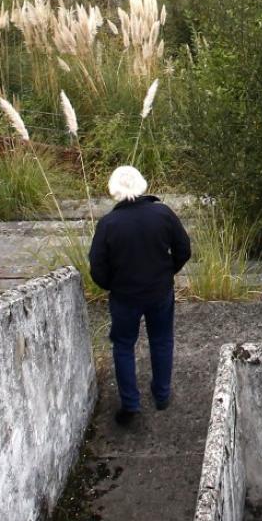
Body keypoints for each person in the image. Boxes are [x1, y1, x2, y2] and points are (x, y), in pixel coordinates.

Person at [87, 165, 192, 426]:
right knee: (161, 339)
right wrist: (168, 271)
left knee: (123, 345)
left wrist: (112, 285)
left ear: (114, 190)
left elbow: (97, 267)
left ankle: (131, 404)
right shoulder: (162, 214)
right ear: (141, 184)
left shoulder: (108, 224)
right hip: (160, 291)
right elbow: (184, 249)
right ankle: (162, 395)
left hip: (124, 296)